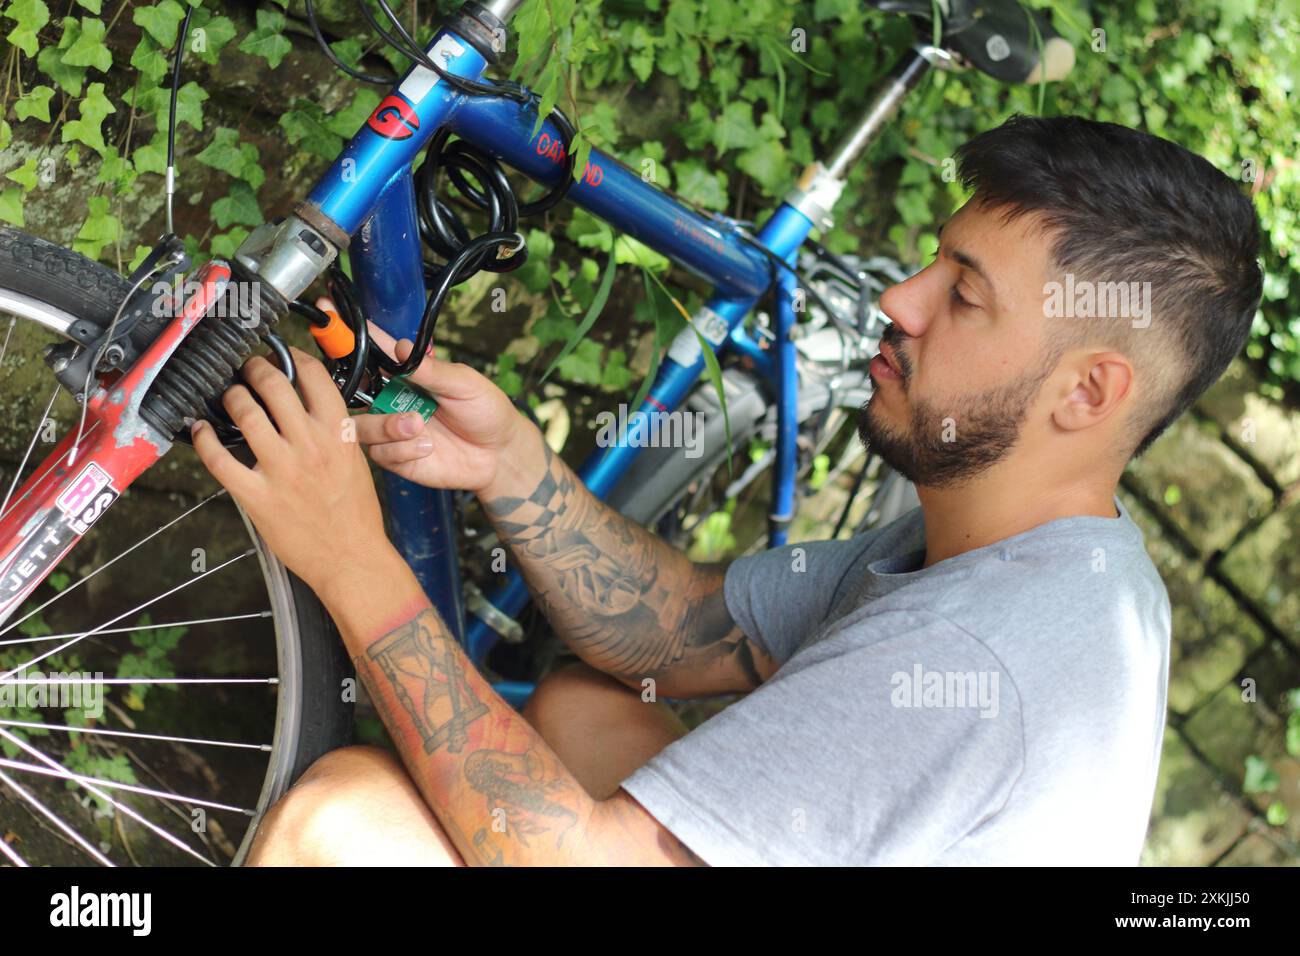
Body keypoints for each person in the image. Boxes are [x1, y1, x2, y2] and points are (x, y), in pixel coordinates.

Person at [191, 114, 1263, 865]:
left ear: (1087, 391)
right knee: (587, 710)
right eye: (934, 261)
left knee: (342, 821)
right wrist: (514, 465)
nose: (898, 296)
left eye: (963, 293)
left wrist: (348, 555)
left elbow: (584, 859)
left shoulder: (974, 657)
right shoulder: (1038, 550)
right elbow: (682, 633)